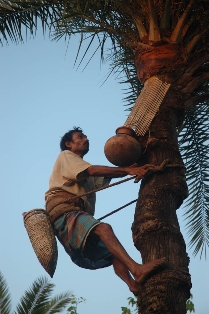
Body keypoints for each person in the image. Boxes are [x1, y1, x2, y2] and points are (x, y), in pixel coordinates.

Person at [45, 127, 165, 295]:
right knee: (104, 229)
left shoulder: (83, 172)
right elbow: (92, 170)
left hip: (74, 214)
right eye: (80, 137)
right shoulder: (66, 156)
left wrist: (135, 165)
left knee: (113, 252)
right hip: (65, 212)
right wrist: (128, 170)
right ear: (68, 144)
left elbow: (106, 175)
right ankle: (137, 270)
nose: (86, 139)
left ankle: (133, 285)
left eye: (86, 136)